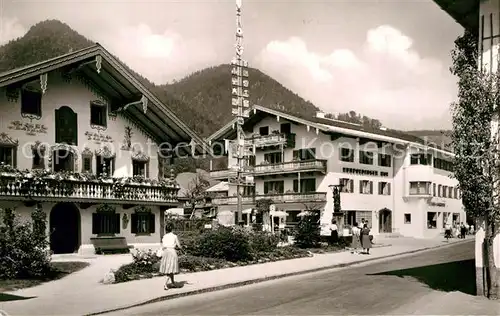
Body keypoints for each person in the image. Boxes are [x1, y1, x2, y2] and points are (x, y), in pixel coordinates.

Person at [160, 223, 182, 290]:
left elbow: (163, 246)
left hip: (165, 252)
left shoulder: (164, 236)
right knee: (170, 268)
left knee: (169, 268)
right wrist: (181, 248)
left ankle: (172, 283)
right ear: (172, 229)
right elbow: (179, 246)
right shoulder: (174, 236)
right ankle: (165, 284)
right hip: (172, 252)